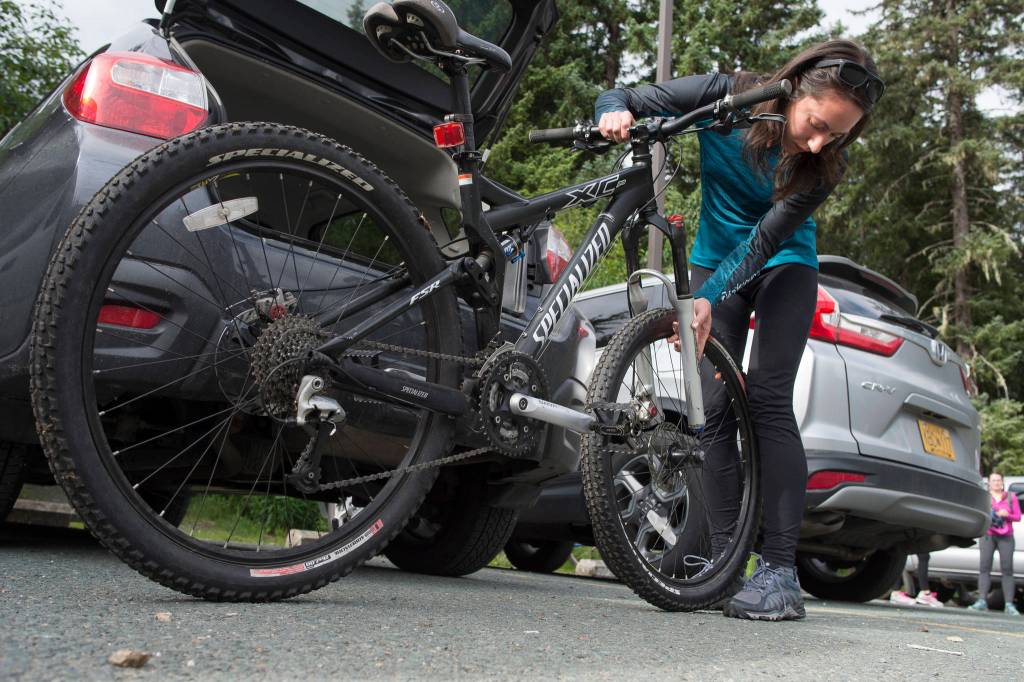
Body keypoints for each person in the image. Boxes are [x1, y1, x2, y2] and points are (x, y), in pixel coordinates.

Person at [595, 39, 884, 621]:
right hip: (711, 259)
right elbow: (628, 95)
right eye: (820, 123)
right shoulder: (727, 95)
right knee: (717, 409)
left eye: (841, 134)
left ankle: (779, 573)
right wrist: (613, 110)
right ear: (794, 89)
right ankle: (720, 561)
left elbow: (765, 241)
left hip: (783, 267)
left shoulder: (823, 165)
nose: (823, 141)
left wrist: (703, 299)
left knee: (768, 397)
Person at [969, 472, 1021, 616]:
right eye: (994, 480)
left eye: (999, 480)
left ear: (1002, 482)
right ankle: (981, 601)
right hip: (988, 536)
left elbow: (1017, 517)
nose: (996, 483)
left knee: (1007, 569)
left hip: (1006, 537)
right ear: (989, 483)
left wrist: (1006, 515)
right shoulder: (985, 497)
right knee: (984, 568)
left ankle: (1009, 604)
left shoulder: (1011, 497)